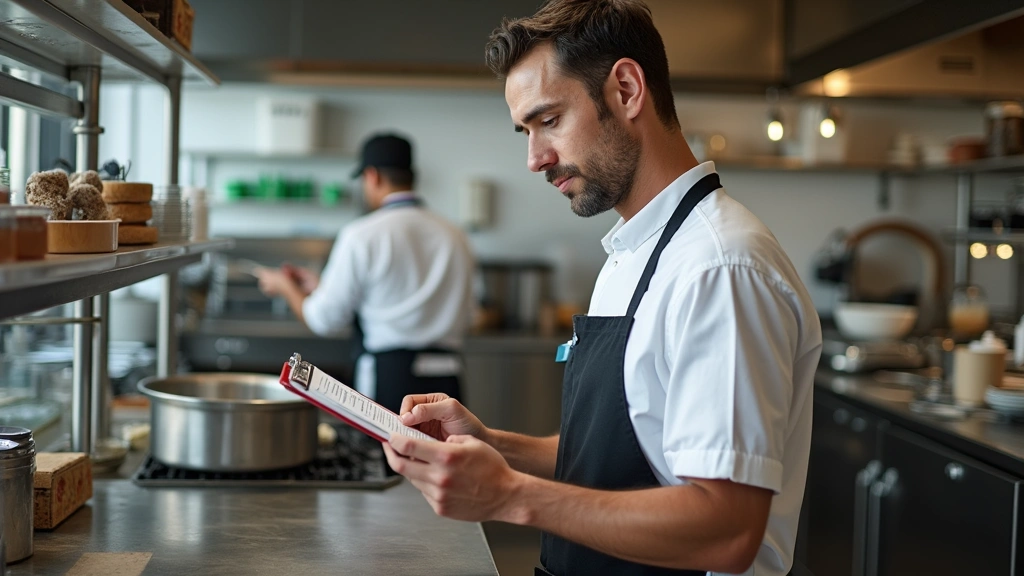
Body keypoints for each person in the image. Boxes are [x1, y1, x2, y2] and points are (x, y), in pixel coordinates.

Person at [381, 2, 822, 575]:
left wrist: (510, 494)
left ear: (627, 89)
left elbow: (727, 528)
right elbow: (631, 451)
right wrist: (495, 444)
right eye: (526, 130)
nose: (535, 159)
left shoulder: (720, 268)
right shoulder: (631, 252)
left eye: (549, 120)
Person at [257, 133, 475, 413]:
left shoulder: (361, 234)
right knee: (445, 455)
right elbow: (469, 314)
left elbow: (323, 319)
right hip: (448, 380)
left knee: (381, 456)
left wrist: (286, 287)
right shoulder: (455, 236)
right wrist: (323, 285)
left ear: (372, 177)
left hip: (390, 381)